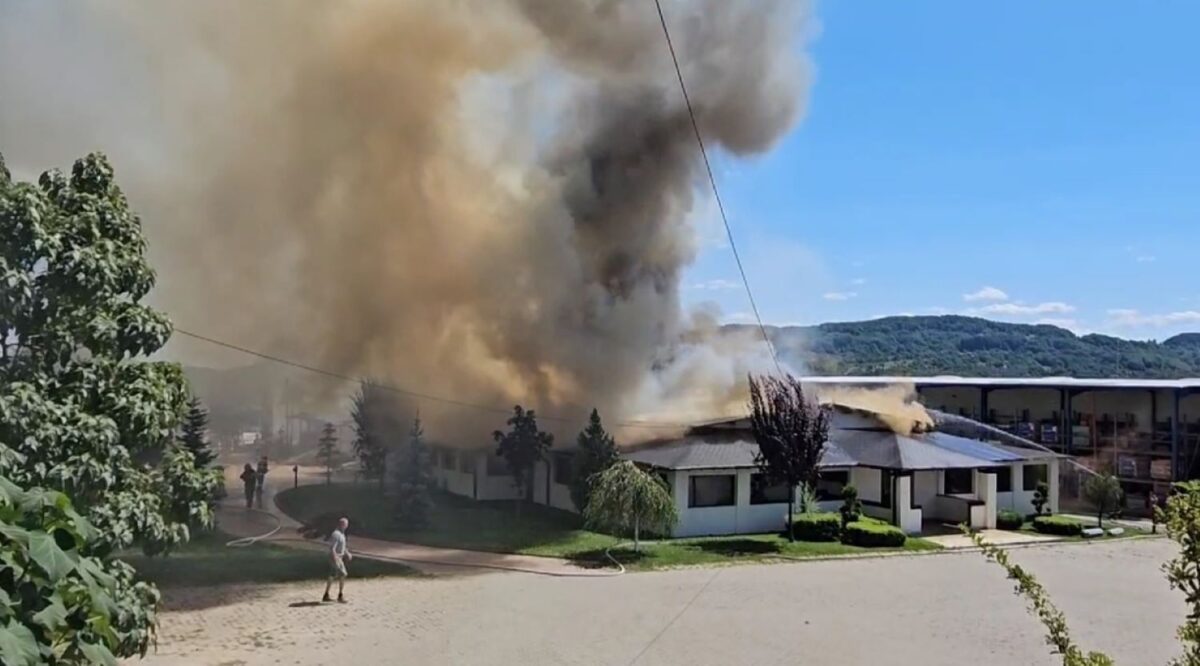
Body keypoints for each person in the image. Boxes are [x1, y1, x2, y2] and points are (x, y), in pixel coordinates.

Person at [322, 517, 352, 603]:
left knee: (332, 576)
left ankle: (326, 595)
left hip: (339, 557)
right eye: (346, 524)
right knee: (343, 574)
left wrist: (347, 553)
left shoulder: (342, 534)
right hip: (336, 557)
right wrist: (335, 558)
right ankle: (340, 595)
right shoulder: (336, 534)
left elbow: (343, 546)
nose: (346, 526)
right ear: (342, 524)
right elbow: (332, 548)